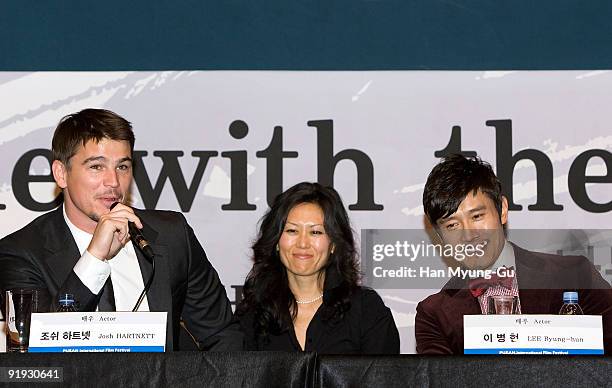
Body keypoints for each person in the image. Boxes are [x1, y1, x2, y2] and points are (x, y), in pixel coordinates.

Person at [0, 108, 241, 351]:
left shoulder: (171, 235)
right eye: (96, 167)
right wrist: (94, 257)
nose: (113, 182)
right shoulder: (21, 252)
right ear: (61, 174)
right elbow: (34, 352)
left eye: (123, 167)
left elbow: (222, 334)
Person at [415, 154, 612, 354]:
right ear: (440, 237)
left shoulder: (574, 275)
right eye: (452, 225)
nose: (469, 235)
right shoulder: (434, 315)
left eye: (477, 216)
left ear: (502, 210)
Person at [235, 182, 400, 353]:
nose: (303, 243)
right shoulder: (252, 314)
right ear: (276, 241)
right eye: (292, 231)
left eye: (316, 232)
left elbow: (384, 378)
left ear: (334, 244)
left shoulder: (366, 310)